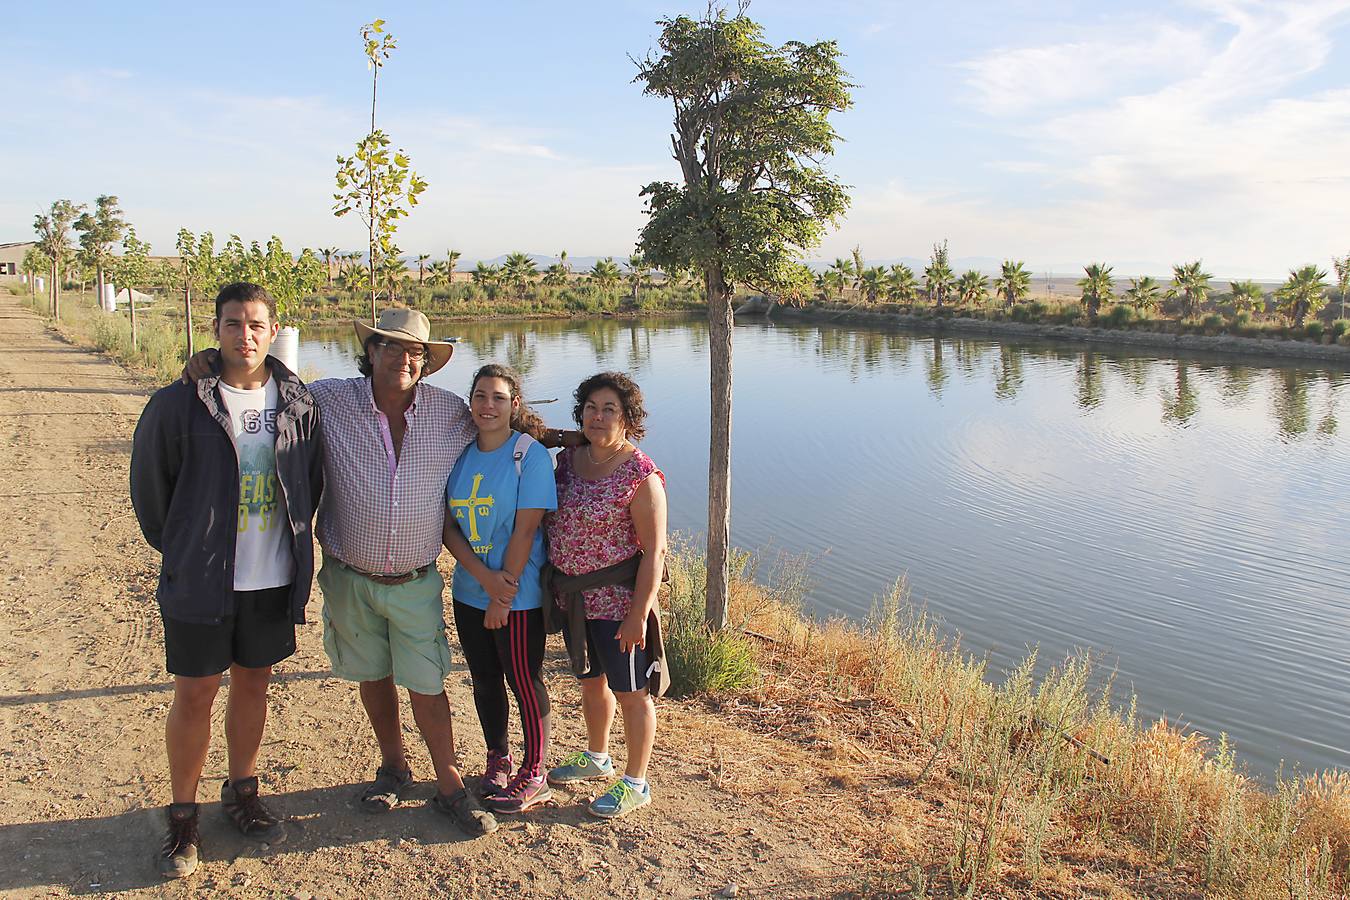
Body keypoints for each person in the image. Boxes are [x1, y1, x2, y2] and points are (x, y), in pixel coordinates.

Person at [182, 308, 566, 836]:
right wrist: (212, 362)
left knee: (428, 680)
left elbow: (502, 426)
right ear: (371, 352)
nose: (403, 359)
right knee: (372, 674)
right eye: (390, 347)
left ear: (427, 363)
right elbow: (266, 385)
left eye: (415, 352)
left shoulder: (450, 412)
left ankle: (449, 783)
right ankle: (393, 766)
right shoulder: (330, 400)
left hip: (415, 578)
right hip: (350, 575)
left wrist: (595, 439)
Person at [132, 282, 324, 878]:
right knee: (194, 694)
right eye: (234, 323)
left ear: (273, 331)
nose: (246, 335)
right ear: (216, 329)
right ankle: (183, 813)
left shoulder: (298, 404)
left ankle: (242, 789)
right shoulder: (177, 403)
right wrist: (190, 548)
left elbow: (309, 482)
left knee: (253, 685)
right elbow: (151, 494)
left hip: (269, 577)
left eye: (257, 325)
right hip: (201, 579)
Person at [545, 371, 668, 819]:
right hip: (575, 601)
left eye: (609, 409)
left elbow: (655, 552)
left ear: (628, 419)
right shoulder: (570, 460)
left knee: (633, 692)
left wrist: (639, 614)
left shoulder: (640, 474)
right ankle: (598, 757)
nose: (598, 416)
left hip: (618, 604)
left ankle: (636, 782)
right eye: (591, 408)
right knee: (592, 682)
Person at [441, 364, 557, 814]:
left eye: (499, 398)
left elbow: (526, 531)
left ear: (514, 405)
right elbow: (449, 527)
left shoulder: (528, 456)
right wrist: (480, 578)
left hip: (517, 596)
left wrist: (500, 595)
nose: (488, 406)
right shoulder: (461, 454)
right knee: (485, 680)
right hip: (469, 589)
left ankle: (536, 772)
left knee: (524, 681)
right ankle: (498, 758)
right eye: (481, 396)